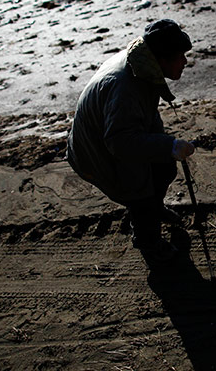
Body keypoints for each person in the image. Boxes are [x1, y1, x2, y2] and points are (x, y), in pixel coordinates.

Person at [67, 19, 195, 263]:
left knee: (163, 166)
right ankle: (148, 242)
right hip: (94, 152)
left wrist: (166, 145)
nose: (185, 62)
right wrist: (168, 145)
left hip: (108, 138)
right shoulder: (125, 85)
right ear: (162, 59)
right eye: (180, 56)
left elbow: (143, 119)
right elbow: (120, 142)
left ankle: (152, 211)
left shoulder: (142, 64)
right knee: (139, 187)